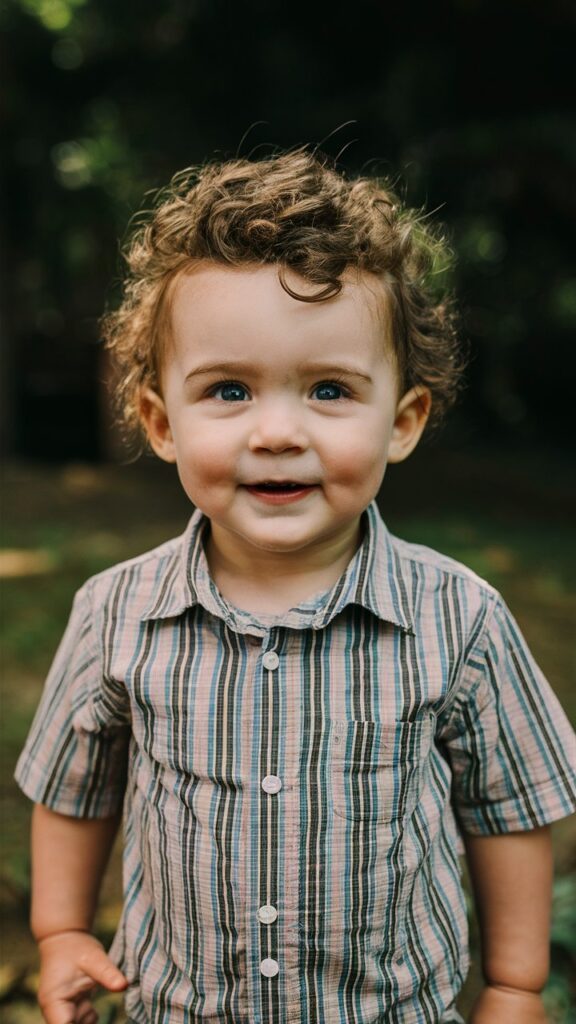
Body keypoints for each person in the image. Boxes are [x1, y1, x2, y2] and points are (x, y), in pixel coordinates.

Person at [15, 149, 576, 1024]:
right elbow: (73, 788)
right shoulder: (114, 614)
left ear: (403, 421)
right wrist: (59, 931)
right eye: (229, 389)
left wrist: (514, 985)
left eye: (327, 389)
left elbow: (508, 807)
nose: (278, 432)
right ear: (162, 423)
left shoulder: (458, 618)